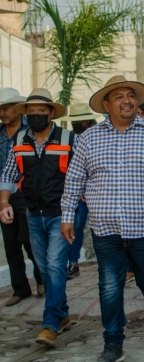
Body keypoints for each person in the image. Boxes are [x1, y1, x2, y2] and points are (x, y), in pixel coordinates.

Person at [61, 75, 144, 362]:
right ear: (106, 104)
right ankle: (113, 344)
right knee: (109, 287)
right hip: (106, 231)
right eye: (119, 96)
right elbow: (75, 181)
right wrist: (67, 217)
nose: (127, 100)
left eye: (131, 95)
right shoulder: (88, 139)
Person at [0, 88, 74, 346]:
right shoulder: (20, 140)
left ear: (51, 113)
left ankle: (50, 323)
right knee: (45, 268)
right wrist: (4, 202)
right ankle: (62, 313)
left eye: (41, 111)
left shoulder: (68, 138)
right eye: (31, 112)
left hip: (61, 215)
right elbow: (9, 174)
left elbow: (78, 175)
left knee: (54, 266)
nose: (36, 116)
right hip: (33, 215)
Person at [0, 88, 44, 306]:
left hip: (27, 192)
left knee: (29, 238)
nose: (2, 112)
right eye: (0, 109)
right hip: (4, 194)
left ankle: (41, 279)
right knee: (10, 242)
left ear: (17, 109)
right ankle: (20, 288)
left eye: (6, 108)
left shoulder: (32, 129)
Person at [61, 103, 100, 280]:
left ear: (85, 122)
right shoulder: (70, 138)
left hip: (93, 193)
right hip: (74, 192)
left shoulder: (97, 137)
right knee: (74, 226)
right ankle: (73, 262)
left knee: (94, 227)